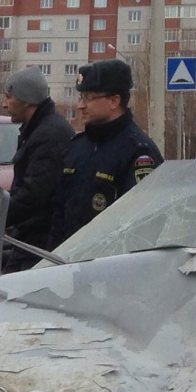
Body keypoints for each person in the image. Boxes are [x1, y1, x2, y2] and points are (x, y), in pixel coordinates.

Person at [47, 58, 161, 249]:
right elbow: (58, 215)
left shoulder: (139, 152)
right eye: (81, 97)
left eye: (89, 98)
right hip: (69, 263)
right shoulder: (77, 147)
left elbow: (143, 221)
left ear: (114, 101)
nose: (81, 105)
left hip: (112, 265)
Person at [0, 67, 69, 269]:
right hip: (31, 237)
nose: (4, 104)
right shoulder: (39, 130)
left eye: (8, 97)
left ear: (26, 99)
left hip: (40, 242)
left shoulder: (49, 135)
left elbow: (34, 195)